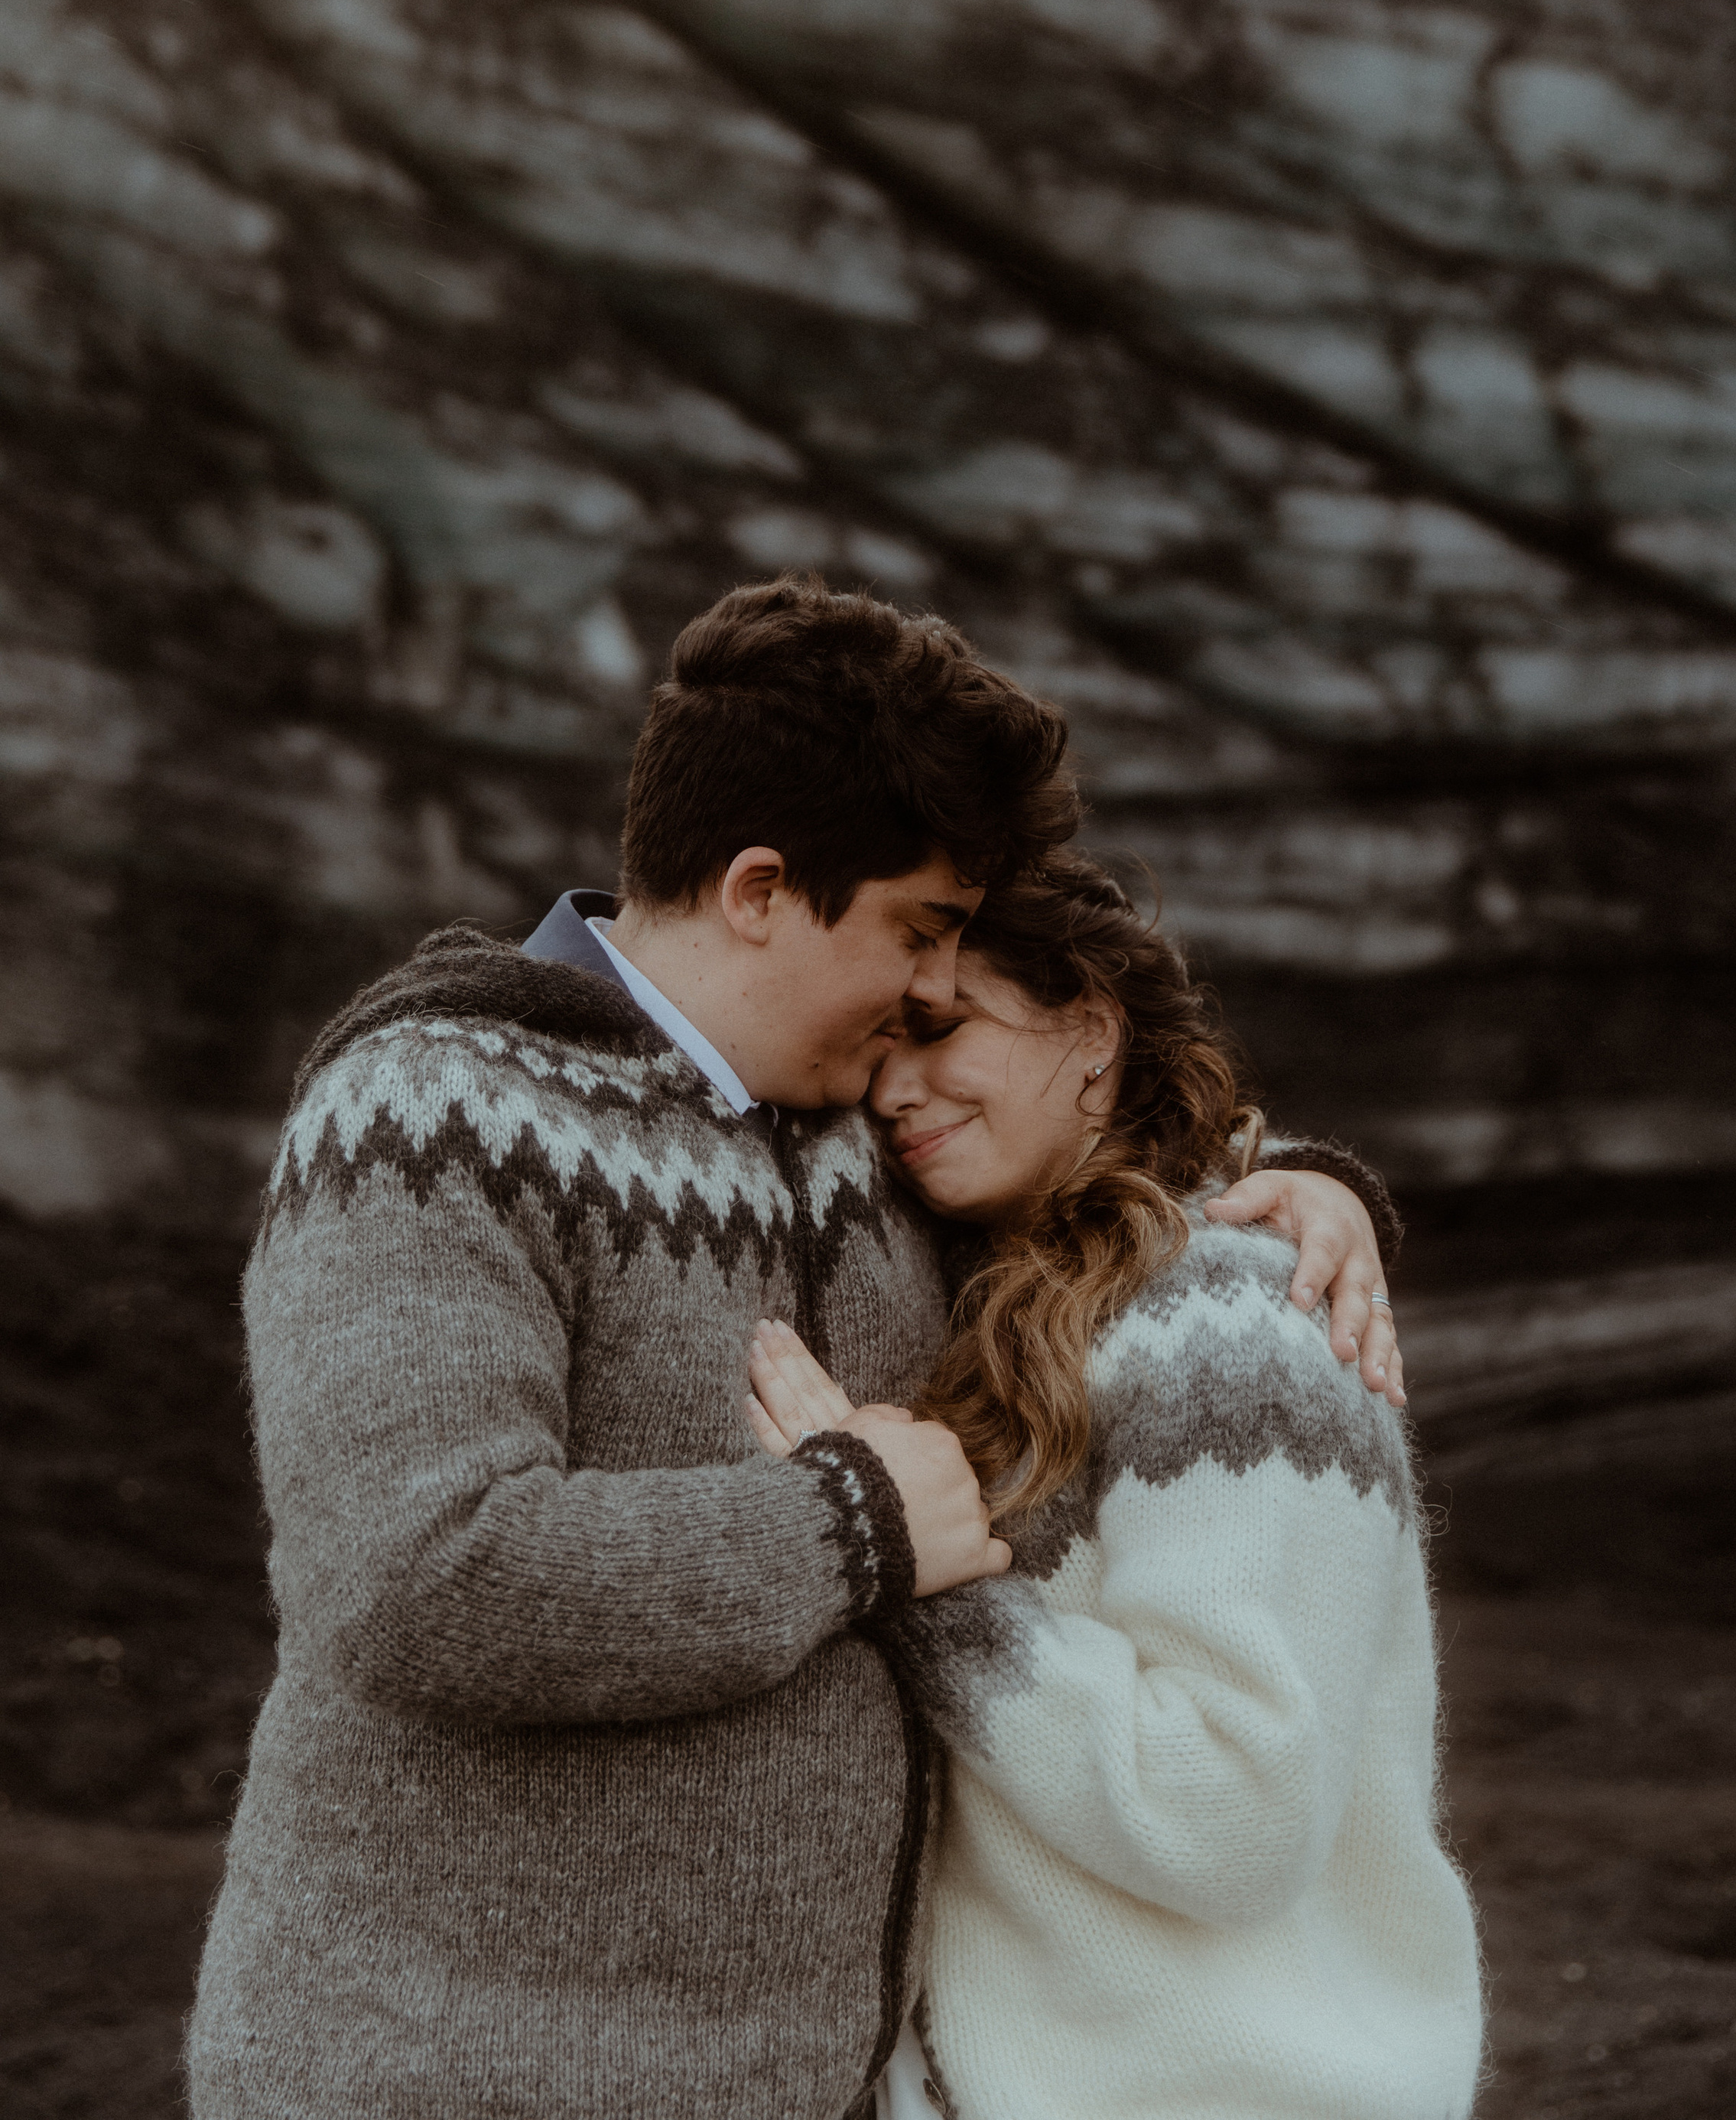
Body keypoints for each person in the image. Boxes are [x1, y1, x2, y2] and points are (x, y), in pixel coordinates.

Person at [188, 577, 1400, 2120]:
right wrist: (848, 1526)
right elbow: (419, 1572)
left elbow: (1067, 1154)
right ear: (760, 889)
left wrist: (1288, 1187)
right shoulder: (437, 1115)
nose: (920, 999)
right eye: (918, 930)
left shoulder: (847, 1125)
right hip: (454, 2075)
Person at [748, 849, 1481, 2120]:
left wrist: (916, 1572)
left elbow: (1232, 1797)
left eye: (941, 1029)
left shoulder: (1228, 1326)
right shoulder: (1039, 1288)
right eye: (879, 1047)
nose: (894, 1091)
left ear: (1090, 1031)